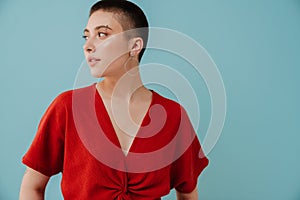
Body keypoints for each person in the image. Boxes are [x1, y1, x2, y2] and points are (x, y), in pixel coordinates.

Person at [19, 0, 209, 199]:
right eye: (86, 36)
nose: (88, 46)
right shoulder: (67, 108)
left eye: (102, 34)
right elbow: (32, 187)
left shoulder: (173, 116)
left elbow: (188, 193)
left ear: (135, 45)